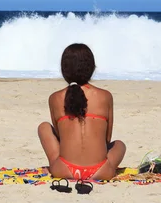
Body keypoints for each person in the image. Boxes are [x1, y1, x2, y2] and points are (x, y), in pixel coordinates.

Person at [38, 43, 126, 181]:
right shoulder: (105, 96)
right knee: (119, 144)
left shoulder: (55, 98)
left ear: (64, 70)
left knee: (44, 127)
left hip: (64, 170)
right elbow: (107, 139)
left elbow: (61, 139)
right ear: (92, 68)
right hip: (101, 171)